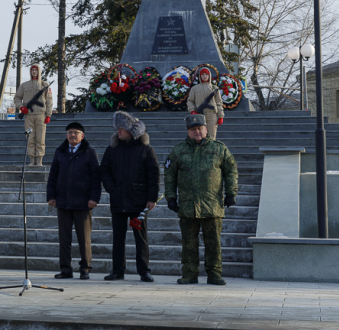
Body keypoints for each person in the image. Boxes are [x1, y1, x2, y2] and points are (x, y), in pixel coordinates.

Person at [165, 114, 238, 286]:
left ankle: (214, 274)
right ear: (188, 132)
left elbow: (231, 170)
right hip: (187, 205)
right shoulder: (178, 151)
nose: (197, 132)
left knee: (213, 243)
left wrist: (231, 193)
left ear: (206, 129)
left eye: (200, 128)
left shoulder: (219, 149)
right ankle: (189, 274)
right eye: (193, 129)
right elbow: (169, 175)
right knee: (189, 244)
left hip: (212, 205)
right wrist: (171, 197)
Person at [99, 111, 159, 283]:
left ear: (131, 130)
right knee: (118, 237)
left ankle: (144, 271)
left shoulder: (146, 149)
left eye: (122, 128)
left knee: (140, 237)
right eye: (117, 128)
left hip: (139, 201)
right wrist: (111, 188)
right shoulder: (112, 149)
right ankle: (117, 271)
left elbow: (153, 174)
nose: (119, 131)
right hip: (118, 199)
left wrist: (152, 198)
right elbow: (104, 170)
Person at [46, 121, 101, 280]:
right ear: (66, 135)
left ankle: (85, 268)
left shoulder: (90, 152)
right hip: (63, 202)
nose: (72, 135)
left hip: (83, 203)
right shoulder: (60, 152)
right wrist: (51, 196)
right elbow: (53, 176)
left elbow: (95, 178)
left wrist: (94, 198)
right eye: (69, 132)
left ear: (82, 136)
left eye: (76, 132)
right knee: (64, 239)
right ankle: (65, 269)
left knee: (84, 239)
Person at [14, 64, 53, 166]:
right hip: (29, 116)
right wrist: (21, 107)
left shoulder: (44, 85)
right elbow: (17, 98)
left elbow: (49, 101)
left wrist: (48, 115)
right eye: (32, 70)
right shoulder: (24, 85)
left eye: (36, 70)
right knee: (30, 138)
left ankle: (39, 160)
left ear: (39, 71)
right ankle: (32, 160)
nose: (34, 72)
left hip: (41, 115)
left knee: (40, 138)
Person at [187, 67, 224, 139]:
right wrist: (193, 111)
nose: (204, 76)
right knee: (200, 137)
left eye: (206, 74)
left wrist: (220, 116)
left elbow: (219, 102)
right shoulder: (195, 88)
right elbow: (190, 101)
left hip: (212, 115)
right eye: (203, 74)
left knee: (211, 137)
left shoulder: (214, 88)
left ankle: (211, 151)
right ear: (200, 76)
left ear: (209, 76)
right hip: (199, 115)